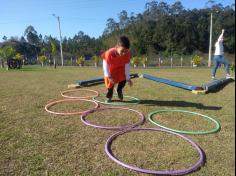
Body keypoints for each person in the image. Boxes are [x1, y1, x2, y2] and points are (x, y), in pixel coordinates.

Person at [101, 36, 133, 103]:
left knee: (123, 81)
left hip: (120, 70)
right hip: (111, 70)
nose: (124, 53)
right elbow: (105, 64)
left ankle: (119, 90)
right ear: (116, 47)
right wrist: (108, 76)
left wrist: (128, 78)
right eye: (122, 51)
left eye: (126, 51)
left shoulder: (127, 54)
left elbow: (127, 66)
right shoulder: (109, 53)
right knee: (110, 85)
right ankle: (109, 97)